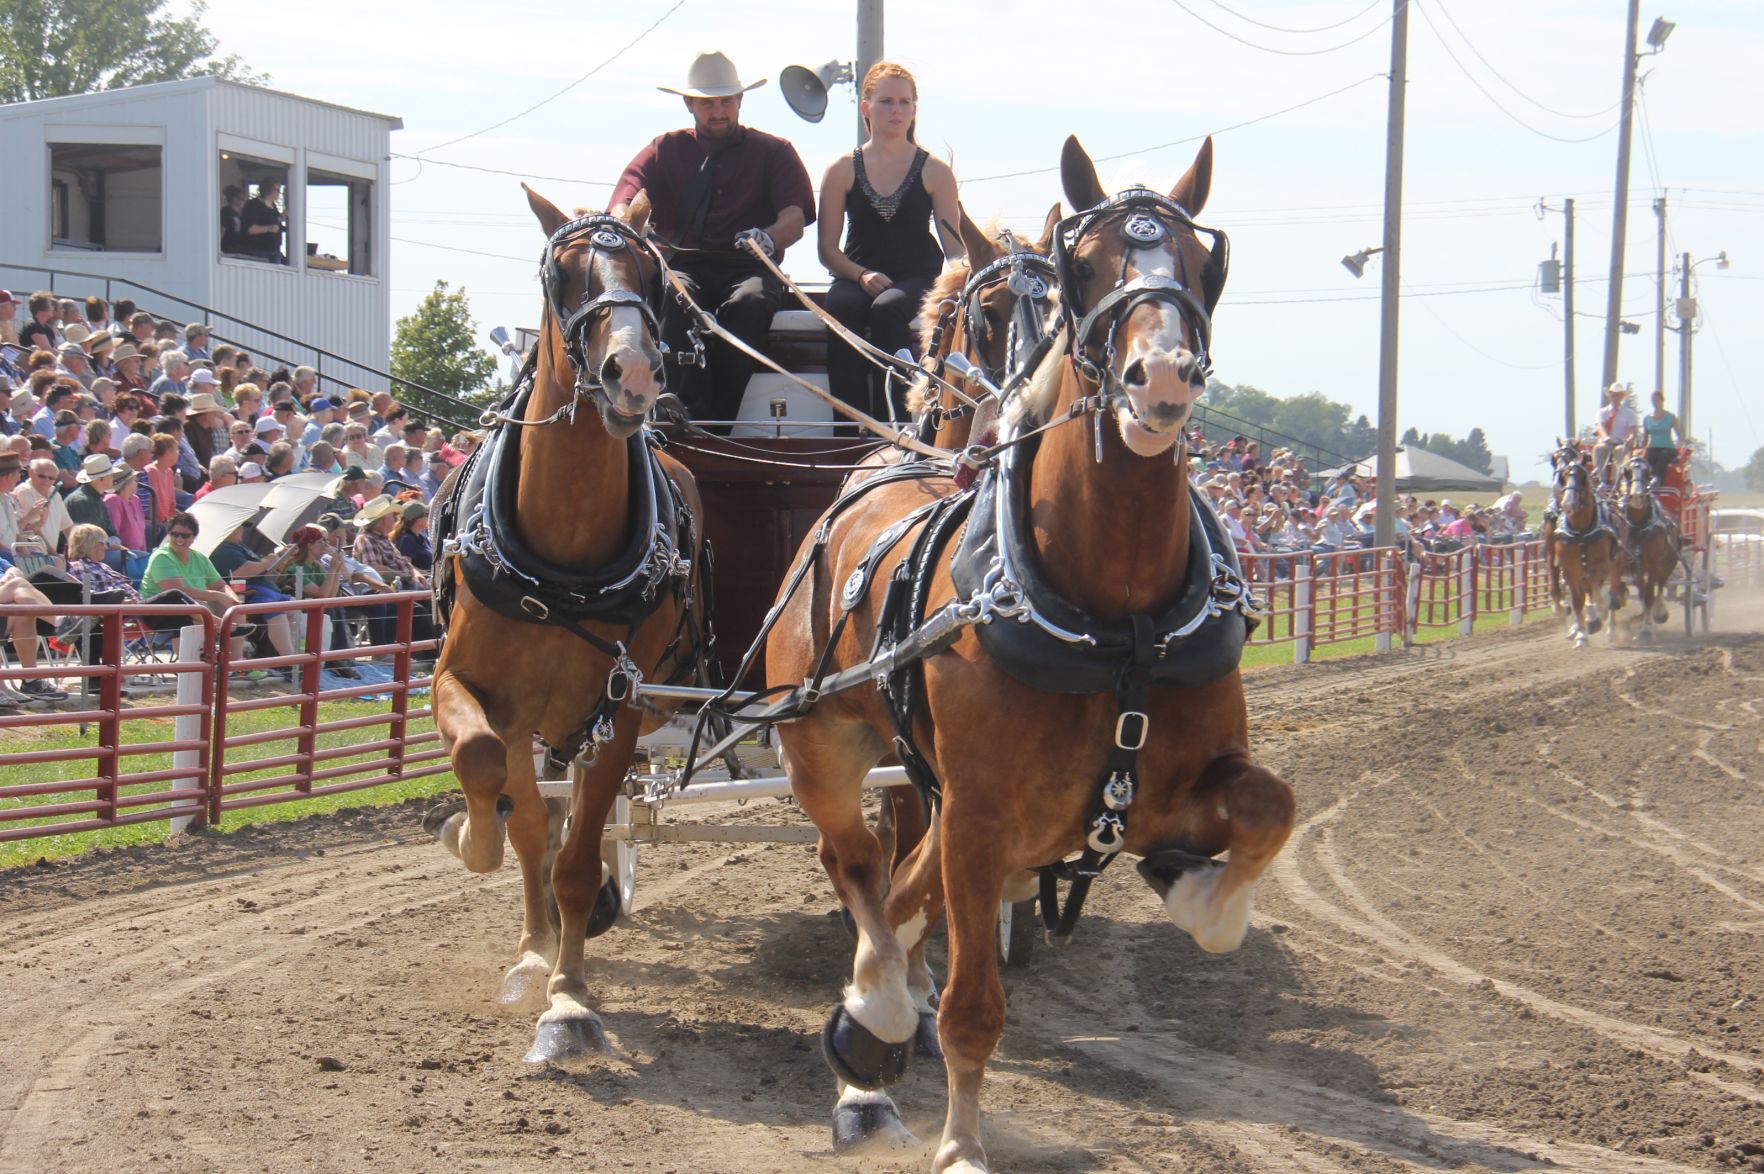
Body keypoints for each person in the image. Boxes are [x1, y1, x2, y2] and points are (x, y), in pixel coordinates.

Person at [609, 50, 814, 424]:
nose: (718, 111)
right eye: (707, 103)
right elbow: (624, 199)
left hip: (749, 265)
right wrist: (624, 223)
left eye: (725, 101)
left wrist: (767, 237)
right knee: (673, 295)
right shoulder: (663, 150)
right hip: (681, 266)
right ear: (689, 103)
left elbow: (795, 218)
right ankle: (685, 411)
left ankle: (716, 418)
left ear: (740, 100)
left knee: (751, 302)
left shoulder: (774, 152)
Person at [817, 62, 963, 421]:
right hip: (856, 273)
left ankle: (896, 424)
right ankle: (849, 430)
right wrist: (860, 274)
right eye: (886, 101)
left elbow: (955, 247)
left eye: (904, 102)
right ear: (866, 107)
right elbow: (827, 250)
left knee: (888, 308)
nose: (896, 111)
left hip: (915, 277)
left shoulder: (935, 171)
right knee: (841, 307)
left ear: (914, 109)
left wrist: (961, 281)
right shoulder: (841, 169)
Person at [1593, 382, 1638, 485]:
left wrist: (1629, 439)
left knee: (1620, 450)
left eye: (1618, 395)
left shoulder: (1629, 413)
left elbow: (1632, 430)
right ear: (1610, 396)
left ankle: (1615, 481)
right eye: (1613, 395)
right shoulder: (1602, 412)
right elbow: (1600, 426)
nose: (1615, 397)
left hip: (1621, 443)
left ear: (1622, 397)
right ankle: (1602, 481)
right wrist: (1605, 437)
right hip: (1606, 442)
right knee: (1599, 449)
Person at [1639, 389, 1683, 483]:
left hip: (1668, 448)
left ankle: (1657, 480)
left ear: (1662, 401)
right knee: (1648, 458)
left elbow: (1679, 434)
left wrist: (1683, 443)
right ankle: (1644, 483)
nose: (1655, 403)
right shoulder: (1647, 419)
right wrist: (1641, 449)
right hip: (1653, 447)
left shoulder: (1671, 417)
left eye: (1657, 400)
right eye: (1653, 401)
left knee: (1663, 456)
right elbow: (1645, 438)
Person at [240, 180, 287, 263]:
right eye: (277, 190)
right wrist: (269, 228)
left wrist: (281, 218)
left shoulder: (273, 206)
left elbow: (274, 223)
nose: (279, 193)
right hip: (257, 253)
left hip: (273, 251)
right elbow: (249, 229)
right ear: (268, 189)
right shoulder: (253, 205)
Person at [220, 184, 249, 253]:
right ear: (234, 199)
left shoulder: (238, 214)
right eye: (242, 199)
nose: (243, 202)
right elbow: (222, 230)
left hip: (237, 247)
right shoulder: (225, 212)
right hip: (227, 247)